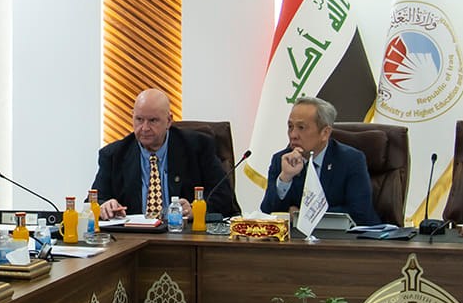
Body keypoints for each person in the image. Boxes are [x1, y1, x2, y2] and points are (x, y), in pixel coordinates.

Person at [90, 88, 239, 219]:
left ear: (168, 121)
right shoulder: (114, 155)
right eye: (139, 119)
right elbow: (94, 201)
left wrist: (196, 209)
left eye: (153, 120)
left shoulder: (197, 147)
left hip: (185, 235)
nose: (145, 128)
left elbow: (224, 196)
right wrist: (104, 206)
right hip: (135, 237)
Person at [262, 96, 377, 227]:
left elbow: (360, 212)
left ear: (325, 133)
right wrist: (285, 178)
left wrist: (302, 216)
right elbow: (267, 211)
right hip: (297, 239)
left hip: (344, 237)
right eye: (290, 126)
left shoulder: (351, 160)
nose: (293, 135)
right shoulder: (282, 160)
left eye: (301, 127)